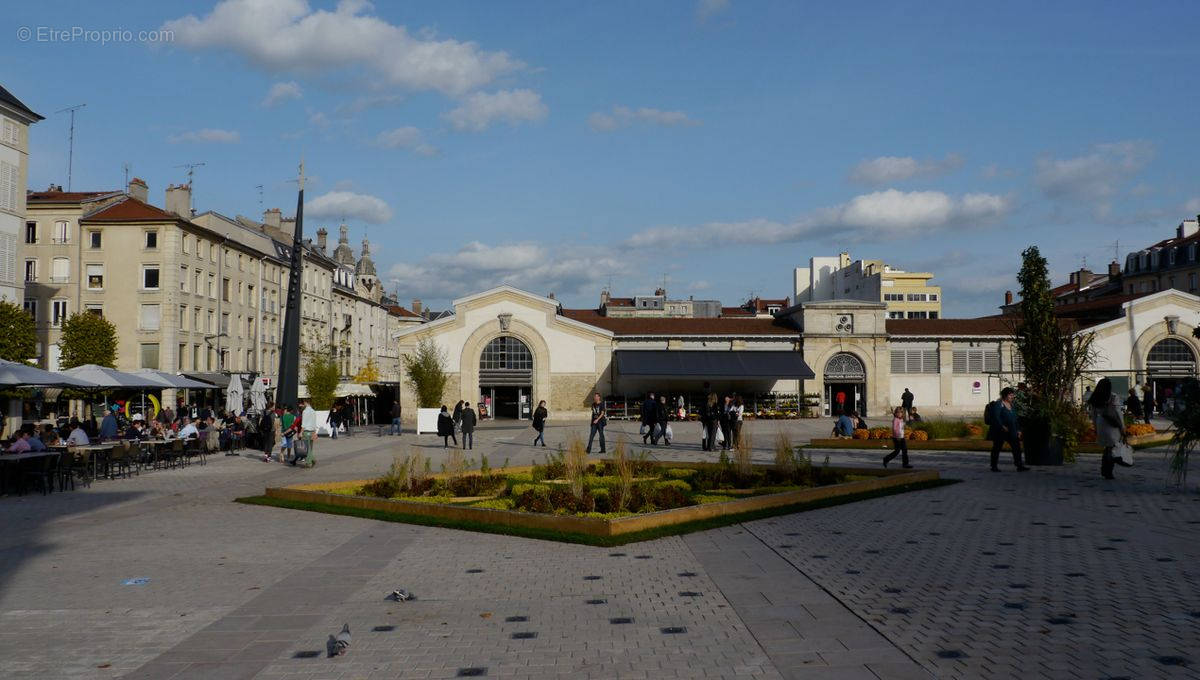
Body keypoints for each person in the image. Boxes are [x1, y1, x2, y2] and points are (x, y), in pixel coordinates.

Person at [1089, 378, 1129, 480]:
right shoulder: (1113, 396)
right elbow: (1118, 413)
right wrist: (1122, 427)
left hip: (1100, 422)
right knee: (1112, 448)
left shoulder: (1095, 397)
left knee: (1107, 448)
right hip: (1111, 424)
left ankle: (1105, 469)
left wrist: (1096, 427)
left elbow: (1093, 414)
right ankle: (1108, 471)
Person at [987, 387, 1029, 472]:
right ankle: (994, 466)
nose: (1012, 397)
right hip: (1000, 431)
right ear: (1005, 396)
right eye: (1010, 395)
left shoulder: (1012, 405)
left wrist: (1019, 430)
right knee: (997, 448)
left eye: (1013, 395)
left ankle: (1019, 465)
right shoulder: (999, 404)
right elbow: (996, 417)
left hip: (1012, 430)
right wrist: (1002, 426)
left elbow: (1015, 418)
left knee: (1016, 447)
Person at [299, 398, 318, 467]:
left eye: (303, 403)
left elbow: (303, 423)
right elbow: (314, 422)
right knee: (310, 447)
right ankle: (312, 459)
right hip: (312, 431)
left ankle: (309, 462)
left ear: (305, 402)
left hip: (306, 431)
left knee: (307, 447)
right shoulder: (313, 411)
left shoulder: (305, 411)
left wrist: (301, 432)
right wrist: (315, 432)